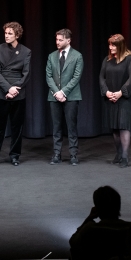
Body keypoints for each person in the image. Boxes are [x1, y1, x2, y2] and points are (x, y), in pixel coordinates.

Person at [0, 22, 31, 167]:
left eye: (10, 33)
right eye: (6, 33)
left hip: (18, 92)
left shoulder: (26, 51)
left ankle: (15, 155)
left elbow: (26, 73)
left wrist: (15, 89)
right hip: (2, 92)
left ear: (17, 35)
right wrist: (8, 89)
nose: (7, 35)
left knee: (17, 127)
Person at [45, 28, 84, 165]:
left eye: (60, 40)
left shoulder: (77, 56)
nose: (58, 42)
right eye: (56, 39)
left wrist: (64, 92)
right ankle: (57, 153)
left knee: (71, 126)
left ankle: (73, 154)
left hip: (71, 96)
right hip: (54, 97)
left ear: (68, 40)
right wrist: (57, 92)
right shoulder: (51, 56)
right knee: (56, 126)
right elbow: (48, 76)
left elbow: (76, 77)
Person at [99, 34, 131, 168]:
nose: (110, 47)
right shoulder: (107, 60)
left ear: (120, 46)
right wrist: (107, 92)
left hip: (123, 98)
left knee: (123, 126)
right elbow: (101, 78)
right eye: (109, 45)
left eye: (113, 45)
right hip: (111, 98)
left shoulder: (129, 59)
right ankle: (119, 153)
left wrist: (121, 92)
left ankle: (125, 156)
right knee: (114, 127)